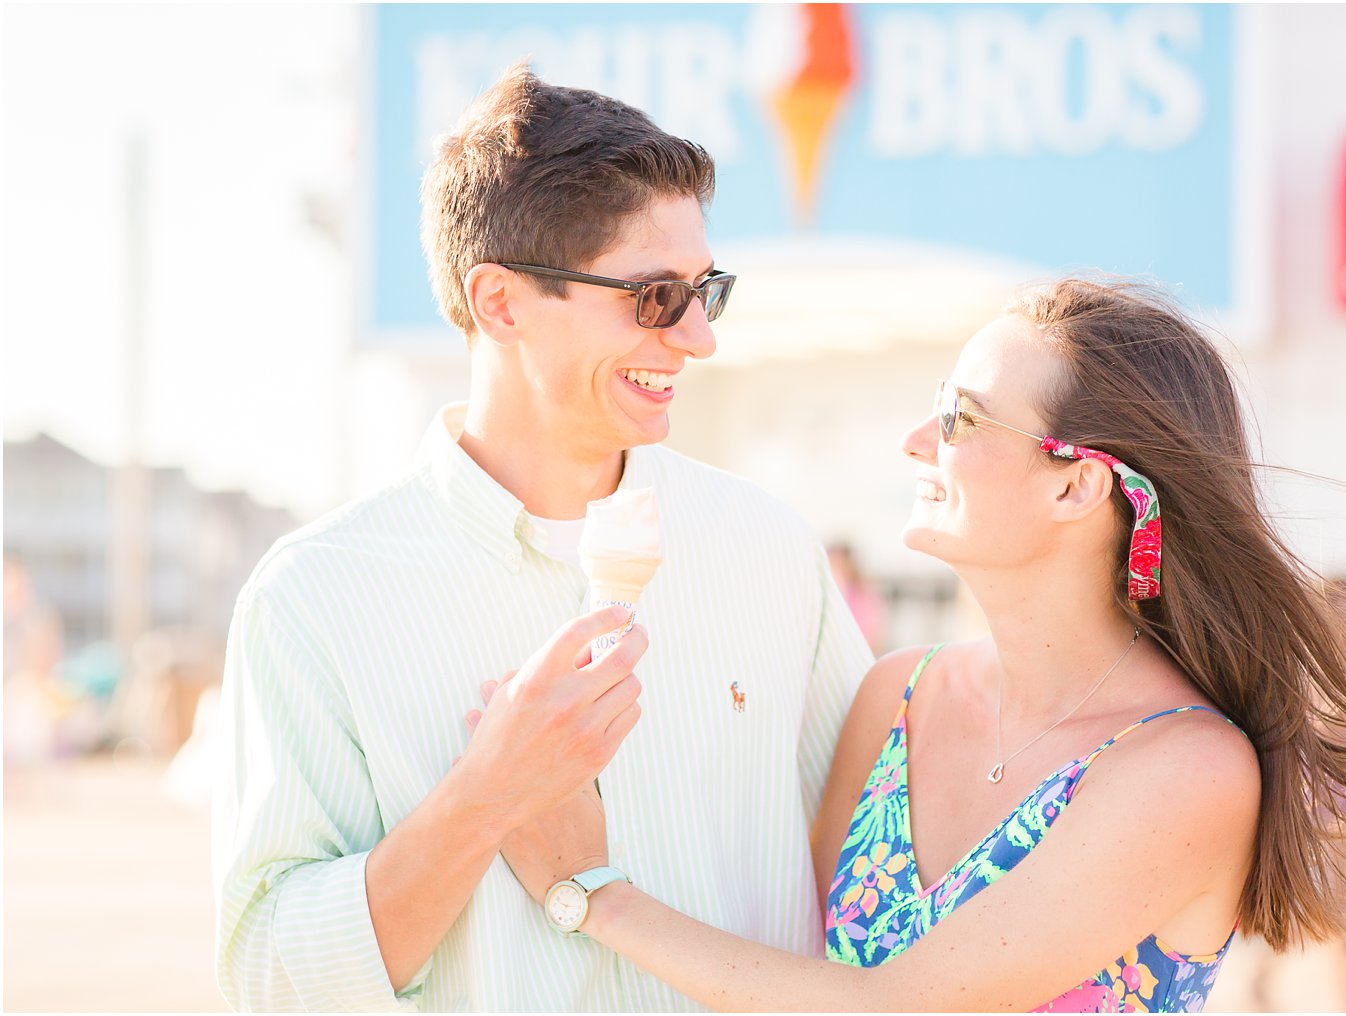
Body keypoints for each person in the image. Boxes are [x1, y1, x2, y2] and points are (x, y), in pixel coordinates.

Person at [491, 278, 1346, 1011]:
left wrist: (592, 894)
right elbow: (783, 965)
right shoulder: (896, 694)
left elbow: (896, 1005)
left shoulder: (1184, 766)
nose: (916, 444)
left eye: (960, 417)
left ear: (1075, 485)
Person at [212, 64, 873, 1011]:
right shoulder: (311, 597)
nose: (698, 340)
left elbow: (867, 868)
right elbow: (270, 978)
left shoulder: (768, 551)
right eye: (653, 298)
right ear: (501, 303)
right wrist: (483, 797)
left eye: (706, 291)